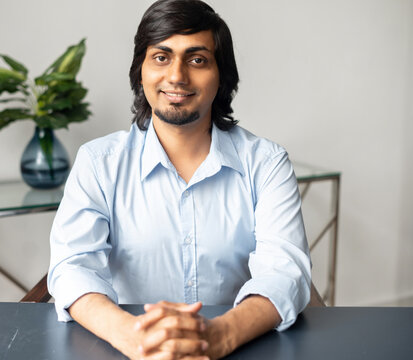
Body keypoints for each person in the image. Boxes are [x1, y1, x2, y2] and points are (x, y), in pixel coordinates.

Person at [48, 0, 311, 358]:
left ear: (222, 75)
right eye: (161, 57)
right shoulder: (98, 163)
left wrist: (217, 336)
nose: (176, 76)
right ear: (140, 70)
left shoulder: (266, 163)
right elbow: (72, 268)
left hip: (239, 346)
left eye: (197, 59)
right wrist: (133, 336)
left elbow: (285, 273)